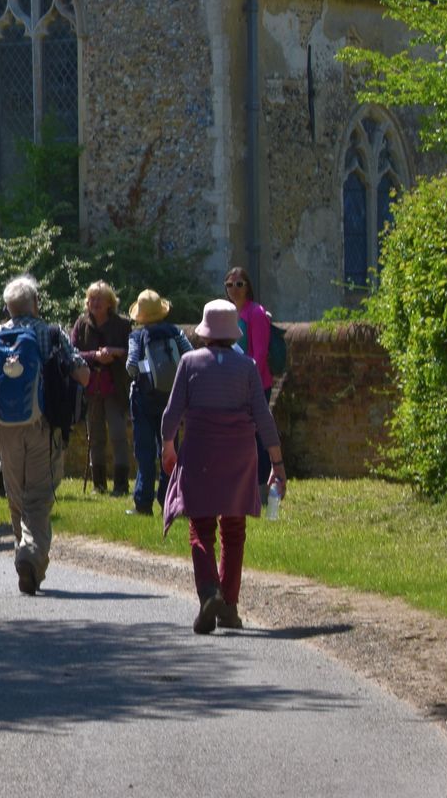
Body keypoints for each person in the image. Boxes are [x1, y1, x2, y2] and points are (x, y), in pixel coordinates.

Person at [161, 297, 285, 634]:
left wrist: (168, 446)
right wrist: (277, 462)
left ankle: (209, 591)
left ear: (204, 333)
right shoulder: (246, 367)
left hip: (200, 452)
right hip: (239, 454)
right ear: (234, 334)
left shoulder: (189, 363)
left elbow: (171, 414)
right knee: (234, 530)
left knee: (201, 527)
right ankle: (228, 606)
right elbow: (264, 417)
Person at [0, 274, 89, 595]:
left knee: (16, 493)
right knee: (39, 495)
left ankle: (26, 556)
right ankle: (30, 554)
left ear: (8, 307)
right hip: (42, 425)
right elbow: (82, 374)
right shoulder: (49, 332)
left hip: (5, 426)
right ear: (35, 303)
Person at [124, 289, 192, 516]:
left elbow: (131, 366)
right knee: (170, 449)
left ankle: (143, 502)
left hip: (143, 400)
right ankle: (169, 499)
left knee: (144, 451)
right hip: (172, 399)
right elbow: (190, 357)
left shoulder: (136, 336)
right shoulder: (175, 332)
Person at [69, 280, 132, 497]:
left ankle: (121, 485)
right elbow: (73, 353)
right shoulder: (81, 324)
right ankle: (99, 485)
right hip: (91, 387)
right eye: (92, 299)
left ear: (109, 303)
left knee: (117, 433)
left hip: (115, 387)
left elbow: (132, 352)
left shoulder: (123, 325)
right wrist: (94, 356)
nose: (95, 303)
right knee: (95, 437)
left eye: (100, 299)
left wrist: (116, 352)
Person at [223, 266, 276, 504]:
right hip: (235, 385)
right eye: (230, 285)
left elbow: (260, 353)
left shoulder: (256, 313)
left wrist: (247, 379)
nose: (234, 289)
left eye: (239, 284)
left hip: (256, 385)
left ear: (248, 286)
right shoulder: (228, 314)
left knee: (258, 435)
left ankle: (262, 488)